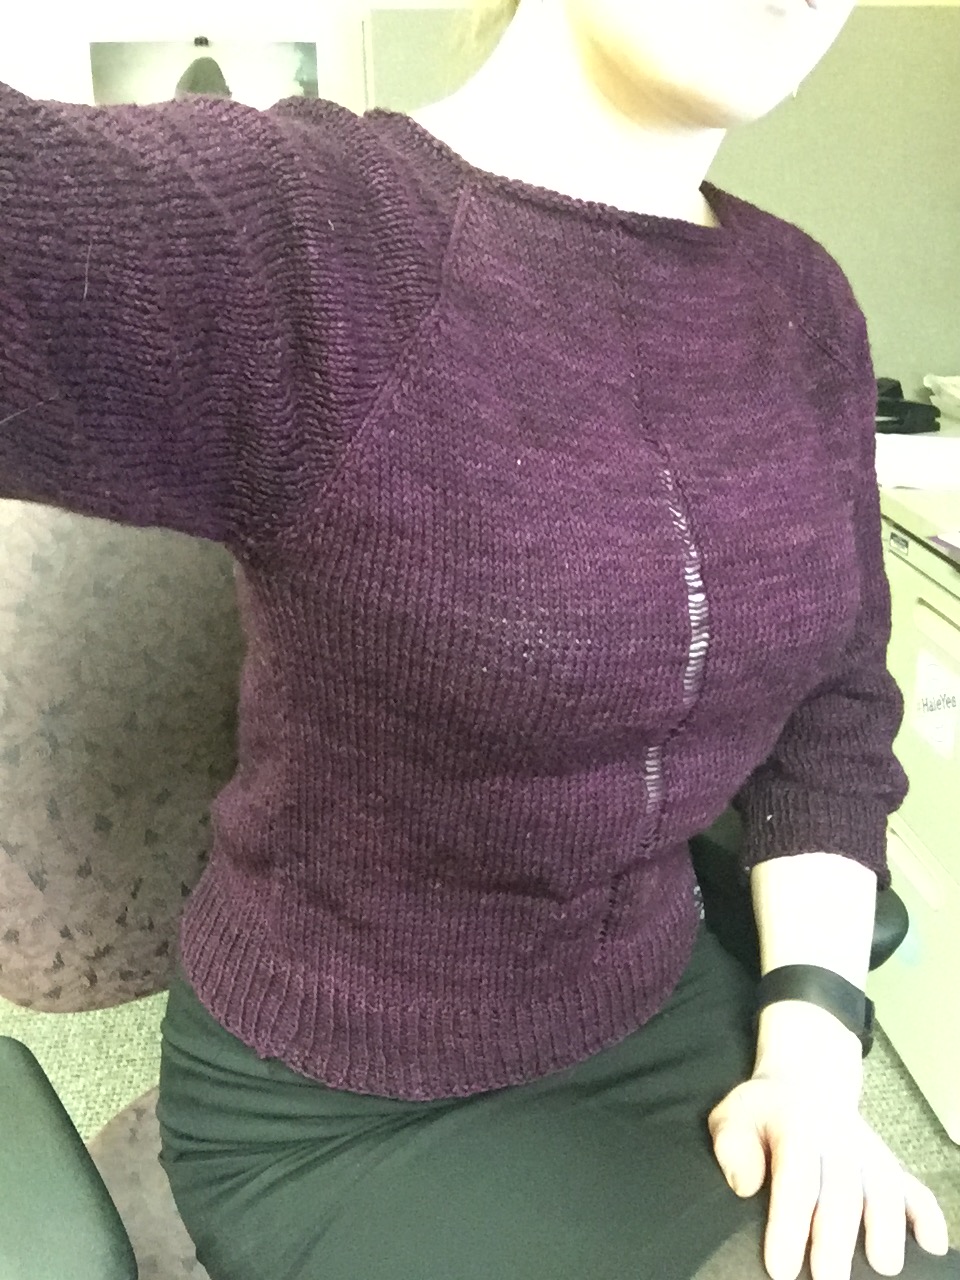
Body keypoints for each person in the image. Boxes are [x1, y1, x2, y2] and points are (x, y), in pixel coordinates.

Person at [1, 1, 958, 1277]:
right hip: (348, 1100)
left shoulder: (807, 305)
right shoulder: (307, 234)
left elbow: (835, 711)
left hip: (676, 998)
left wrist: (815, 1043)